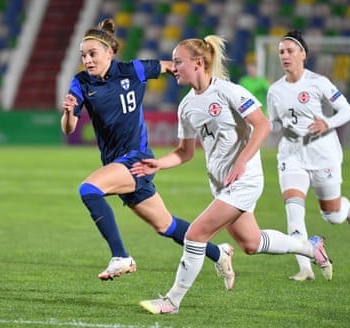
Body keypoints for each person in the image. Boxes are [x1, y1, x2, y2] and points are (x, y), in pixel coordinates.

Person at [131, 35, 333, 315]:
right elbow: (184, 152)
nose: (173, 67)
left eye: (179, 62)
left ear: (198, 63)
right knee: (251, 243)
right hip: (221, 184)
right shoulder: (186, 106)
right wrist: (159, 164)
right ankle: (312, 249)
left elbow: (262, 125)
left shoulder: (229, 91)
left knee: (195, 234)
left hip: (245, 180)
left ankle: (171, 300)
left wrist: (242, 161)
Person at [61, 18, 233, 285]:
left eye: (93, 54)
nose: (87, 60)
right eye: (83, 55)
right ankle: (218, 252)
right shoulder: (81, 82)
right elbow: (69, 128)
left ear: (110, 53)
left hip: (137, 158)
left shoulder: (135, 69)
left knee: (89, 189)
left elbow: (169, 66)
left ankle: (121, 256)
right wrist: (69, 111)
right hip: (117, 163)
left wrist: (198, 77)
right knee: (166, 226)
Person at [267, 30, 350, 281]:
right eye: (281, 52)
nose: (285, 56)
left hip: (322, 153)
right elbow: (275, 124)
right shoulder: (275, 91)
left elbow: (347, 111)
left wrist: (327, 123)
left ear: (303, 55)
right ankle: (305, 268)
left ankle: (346, 207)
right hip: (291, 154)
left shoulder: (318, 82)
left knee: (332, 216)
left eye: (290, 51)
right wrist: (271, 126)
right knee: (293, 209)